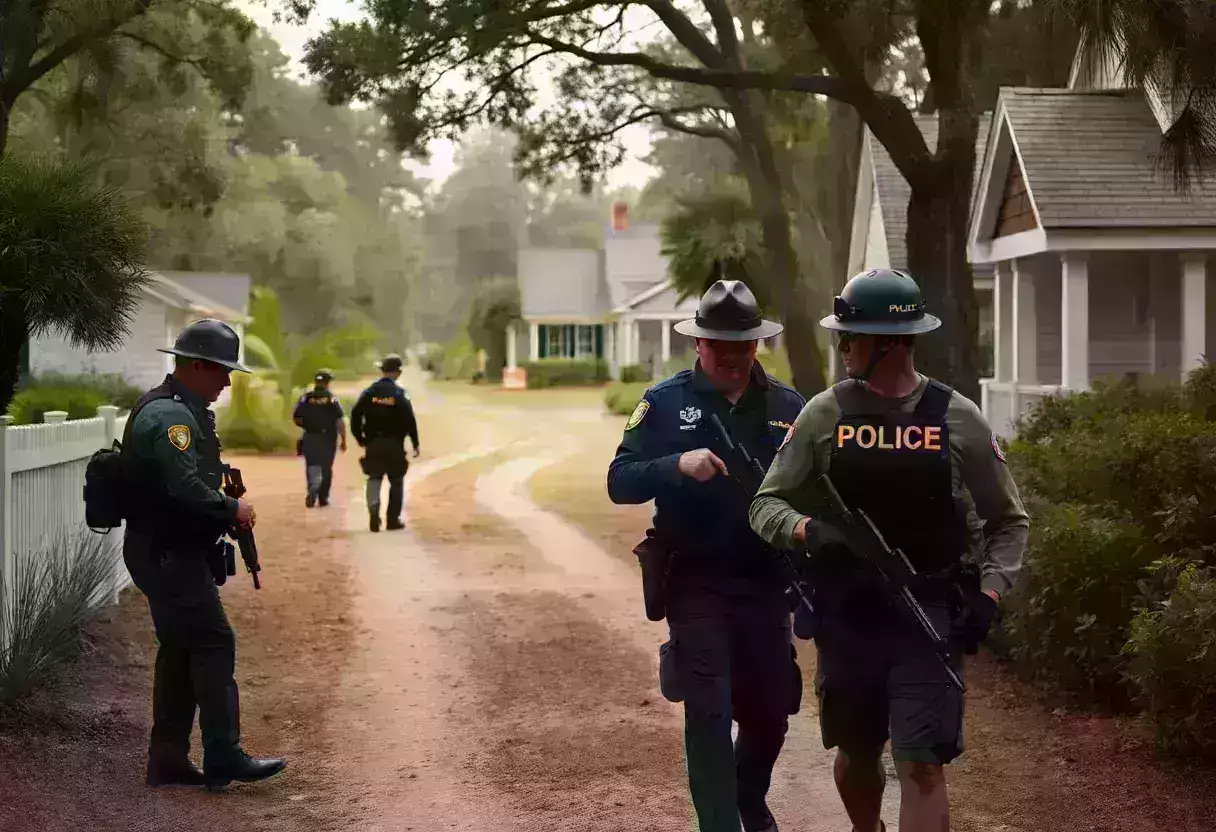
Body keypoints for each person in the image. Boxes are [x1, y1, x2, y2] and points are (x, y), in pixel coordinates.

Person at [748, 268, 1030, 832]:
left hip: (928, 616)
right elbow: (765, 505)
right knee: (855, 756)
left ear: (891, 343)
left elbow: (1008, 520)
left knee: (922, 765)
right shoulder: (823, 414)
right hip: (849, 620)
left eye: (852, 337)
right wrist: (812, 532)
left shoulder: (958, 417)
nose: (843, 347)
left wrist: (990, 596)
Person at [607, 279, 806, 832]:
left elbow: (815, 494)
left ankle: (748, 794)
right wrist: (675, 465)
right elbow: (619, 481)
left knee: (770, 715)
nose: (733, 358)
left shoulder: (788, 406)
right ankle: (719, 824)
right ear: (699, 344)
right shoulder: (664, 402)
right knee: (709, 710)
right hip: (695, 582)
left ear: (756, 344)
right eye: (721, 347)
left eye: (743, 347)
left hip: (767, 583)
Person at [122, 319, 286, 791]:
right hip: (170, 554)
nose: (227, 381)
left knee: (179, 650)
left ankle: (169, 760)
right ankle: (223, 755)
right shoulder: (170, 418)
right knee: (213, 643)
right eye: (221, 371)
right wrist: (233, 507)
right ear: (196, 366)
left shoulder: (179, 408)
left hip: (163, 551)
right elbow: (186, 486)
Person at [351, 353, 420, 532]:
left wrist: (360, 438)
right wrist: (415, 443)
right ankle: (392, 520)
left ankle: (373, 508)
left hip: (373, 443)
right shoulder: (400, 394)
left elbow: (355, 415)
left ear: (382, 371)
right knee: (396, 481)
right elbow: (409, 419)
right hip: (394, 444)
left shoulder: (369, 392)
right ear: (398, 372)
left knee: (374, 477)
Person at [293, 369, 347, 508]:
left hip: (310, 436)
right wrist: (344, 440)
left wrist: (307, 425)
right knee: (326, 468)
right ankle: (323, 498)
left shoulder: (306, 398)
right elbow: (339, 421)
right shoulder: (331, 398)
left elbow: (296, 418)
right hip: (327, 438)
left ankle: (313, 485)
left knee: (311, 465)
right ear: (328, 382)